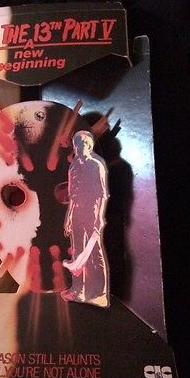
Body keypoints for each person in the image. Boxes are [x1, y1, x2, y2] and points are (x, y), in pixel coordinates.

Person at [61, 131, 110, 307]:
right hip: (77, 215)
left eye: (81, 145)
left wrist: (99, 217)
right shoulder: (74, 167)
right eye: (76, 145)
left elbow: (103, 194)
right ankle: (78, 291)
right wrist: (69, 217)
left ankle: (101, 294)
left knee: (95, 252)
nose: (78, 149)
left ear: (89, 146)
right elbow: (72, 196)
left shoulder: (97, 166)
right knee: (77, 252)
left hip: (92, 213)